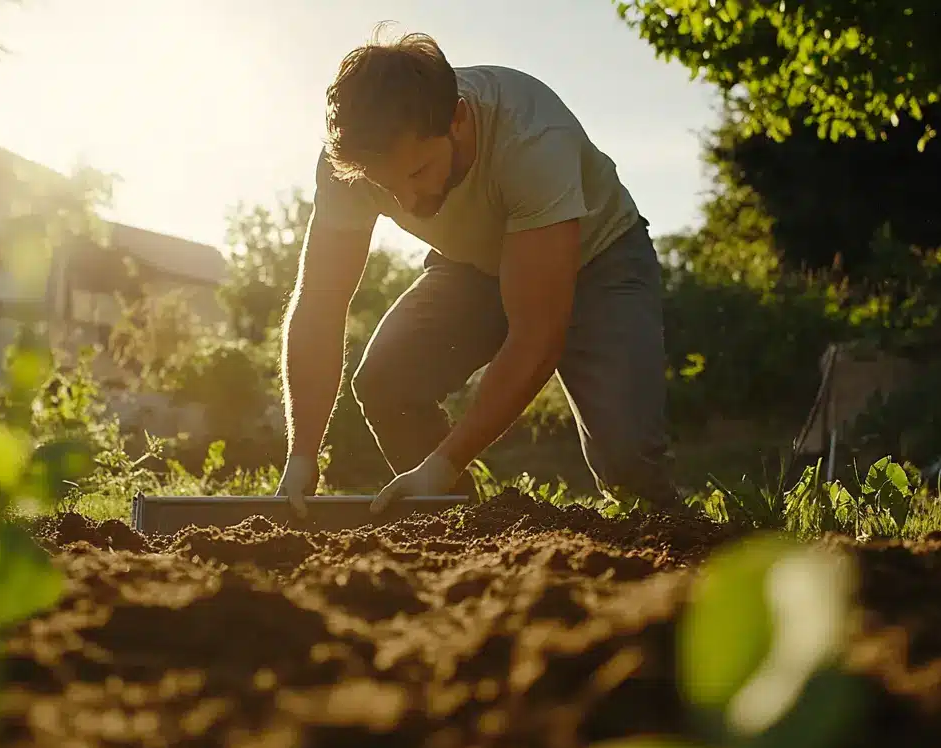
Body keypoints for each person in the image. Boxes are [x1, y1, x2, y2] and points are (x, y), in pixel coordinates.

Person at [274, 28, 680, 518]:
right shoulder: (352, 163)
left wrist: (444, 461)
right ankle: (459, 525)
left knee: (627, 460)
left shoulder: (531, 138)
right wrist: (302, 454)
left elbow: (537, 335)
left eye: (419, 172)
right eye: (387, 186)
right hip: (474, 262)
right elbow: (320, 300)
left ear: (458, 120)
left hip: (599, 260)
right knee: (388, 382)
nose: (408, 203)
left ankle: (678, 541)